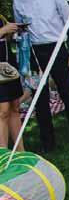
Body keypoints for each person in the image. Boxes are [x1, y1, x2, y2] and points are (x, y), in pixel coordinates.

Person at [12, 0, 69, 153]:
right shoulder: (18, 0)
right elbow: (20, 32)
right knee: (40, 98)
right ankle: (48, 144)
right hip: (34, 52)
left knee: (68, 94)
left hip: (57, 49)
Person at [0, 17, 24, 151]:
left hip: (8, 66)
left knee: (15, 107)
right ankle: (3, 155)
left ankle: (20, 151)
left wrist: (10, 32)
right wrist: (3, 30)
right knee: (2, 111)